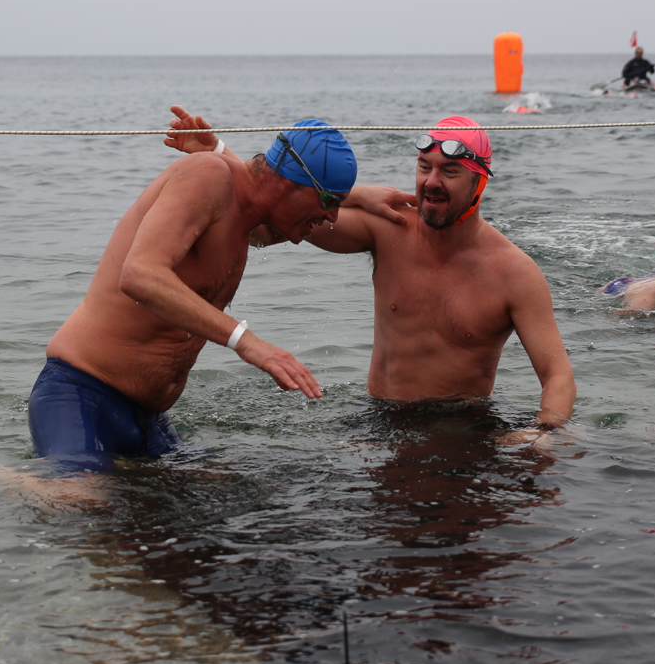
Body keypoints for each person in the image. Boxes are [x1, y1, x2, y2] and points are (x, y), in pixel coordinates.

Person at [168, 109, 576, 437]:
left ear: (479, 181)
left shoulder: (513, 273)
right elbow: (272, 220)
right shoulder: (390, 229)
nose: (431, 182)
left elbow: (557, 375)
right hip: (378, 420)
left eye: (450, 172)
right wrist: (220, 153)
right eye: (424, 167)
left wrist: (543, 432)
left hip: (461, 429)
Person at [30, 118, 395, 474]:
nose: (333, 216)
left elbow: (266, 189)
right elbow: (139, 275)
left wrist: (361, 197)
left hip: (148, 419)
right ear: (289, 183)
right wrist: (247, 343)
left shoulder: (248, 216)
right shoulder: (207, 174)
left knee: (236, 491)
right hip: (81, 396)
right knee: (80, 502)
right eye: (329, 200)